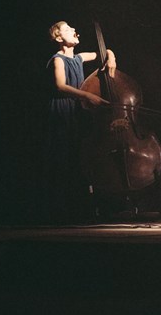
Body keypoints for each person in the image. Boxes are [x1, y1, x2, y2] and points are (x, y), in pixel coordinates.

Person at [45, 20, 116, 223]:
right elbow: (60, 86)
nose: (74, 30)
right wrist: (88, 96)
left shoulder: (78, 58)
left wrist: (111, 57)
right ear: (59, 37)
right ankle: (59, 211)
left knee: (78, 157)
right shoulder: (58, 60)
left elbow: (103, 53)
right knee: (63, 157)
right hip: (63, 108)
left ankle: (79, 208)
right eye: (68, 29)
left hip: (77, 110)